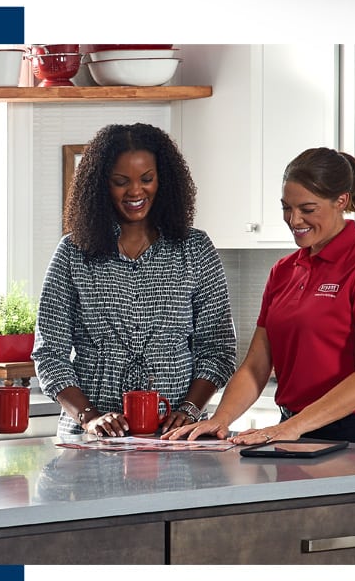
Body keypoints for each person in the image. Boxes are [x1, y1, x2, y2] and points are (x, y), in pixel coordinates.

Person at [163, 147, 355, 447]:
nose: (294, 220)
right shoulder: (284, 271)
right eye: (286, 208)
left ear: (341, 200)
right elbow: (256, 366)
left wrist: (292, 427)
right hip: (295, 428)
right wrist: (221, 419)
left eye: (307, 209)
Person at [32, 123, 237, 438]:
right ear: (102, 185)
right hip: (91, 440)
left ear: (163, 180)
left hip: (178, 439)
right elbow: (50, 354)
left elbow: (218, 349)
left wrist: (189, 411)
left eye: (147, 179)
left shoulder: (195, 250)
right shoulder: (73, 253)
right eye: (120, 182)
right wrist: (89, 417)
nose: (136, 192)